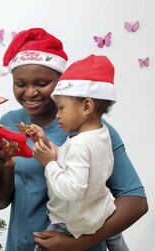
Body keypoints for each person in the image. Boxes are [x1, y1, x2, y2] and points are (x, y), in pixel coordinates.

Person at [0, 28, 148, 251]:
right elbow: (0, 202)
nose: (30, 92)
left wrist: (78, 243)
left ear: (61, 81)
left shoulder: (95, 131)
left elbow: (136, 201)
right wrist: (6, 166)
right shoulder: (9, 122)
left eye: (42, 83)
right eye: (21, 84)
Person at [31, 54, 129, 251]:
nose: (57, 115)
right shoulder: (101, 134)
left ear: (86, 106)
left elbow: (72, 190)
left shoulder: (79, 144)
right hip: (103, 212)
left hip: (74, 222)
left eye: (61, 108)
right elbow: (78, 162)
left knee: (42, 244)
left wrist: (49, 163)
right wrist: (47, 143)